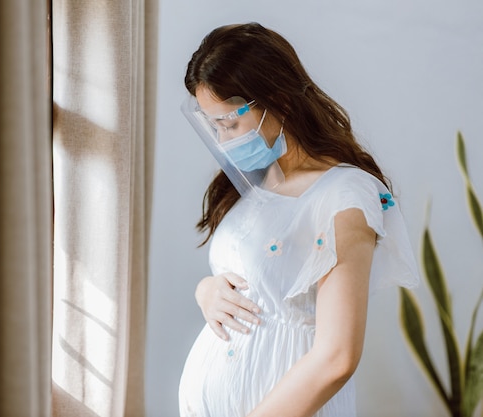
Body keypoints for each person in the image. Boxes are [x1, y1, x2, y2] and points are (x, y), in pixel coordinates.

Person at [178, 22, 419, 417]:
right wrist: (206, 291)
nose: (223, 143)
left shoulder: (343, 194)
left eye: (229, 124)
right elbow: (257, 279)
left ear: (278, 102)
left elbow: (337, 357)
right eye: (214, 127)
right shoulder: (258, 183)